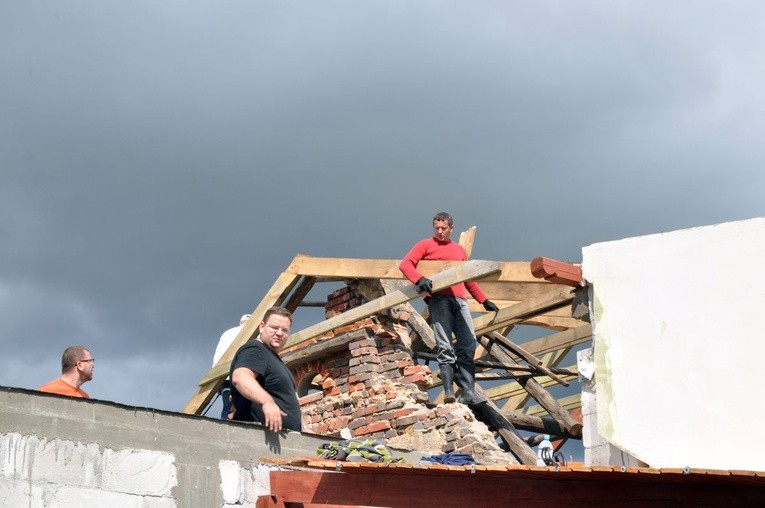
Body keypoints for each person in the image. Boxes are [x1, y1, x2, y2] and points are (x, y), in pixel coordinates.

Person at [399, 212, 499, 405]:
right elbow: (406, 264)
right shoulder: (425, 245)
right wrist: (419, 279)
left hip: (460, 300)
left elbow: (467, 278)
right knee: (444, 345)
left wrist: (483, 299)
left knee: (468, 343)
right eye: (437, 228)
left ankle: (467, 392)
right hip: (439, 299)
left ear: (451, 229)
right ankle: (448, 392)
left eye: (443, 228)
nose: (440, 231)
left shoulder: (459, 250)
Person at [229, 307, 302, 432]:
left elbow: (287, 401)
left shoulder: (275, 360)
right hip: (260, 438)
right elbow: (240, 377)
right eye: (274, 327)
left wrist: (304, 426)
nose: (279, 333)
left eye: (284, 330)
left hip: (284, 441)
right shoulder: (255, 349)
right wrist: (267, 402)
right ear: (262, 326)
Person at [213, 313, 251, 419]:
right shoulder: (254, 334)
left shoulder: (226, 334)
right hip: (244, 376)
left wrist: (217, 384)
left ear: (240, 322)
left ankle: (225, 429)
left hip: (225, 378)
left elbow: (217, 358)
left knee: (228, 407)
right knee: (245, 407)